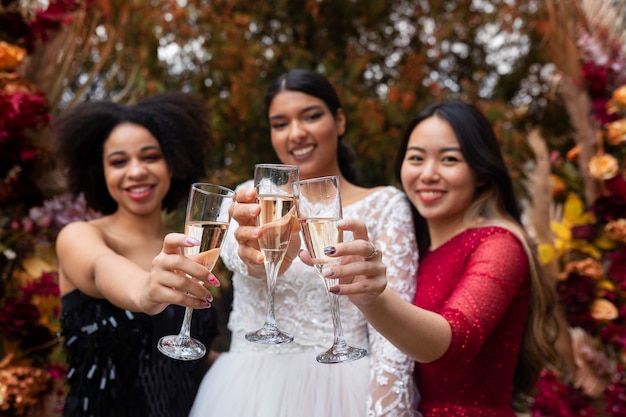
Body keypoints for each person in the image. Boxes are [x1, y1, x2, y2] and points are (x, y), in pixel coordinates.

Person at [189, 69, 420, 416]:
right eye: (280, 123)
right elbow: (245, 259)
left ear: (339, 121)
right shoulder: (245, 199)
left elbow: (393, 340)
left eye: (311, 116)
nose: (296, 134)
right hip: (246, 394)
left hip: (344, 392)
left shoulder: (385, 205)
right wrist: (259, 254)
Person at [312, 101, 561, 416]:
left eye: (449, 159)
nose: (428, 174)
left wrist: (372, 297)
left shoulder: (500, 244)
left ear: (482, 171)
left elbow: (457, 341)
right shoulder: (419, 249)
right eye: (416, 158)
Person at [54, 92, 221, 417]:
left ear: (173, 162)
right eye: (118, 161)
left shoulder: (190, 247)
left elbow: (190, 365)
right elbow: (104, 271)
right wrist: (144, 291)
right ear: (99, 171)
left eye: (150, 157)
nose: (136, 172)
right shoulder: (80, 236)